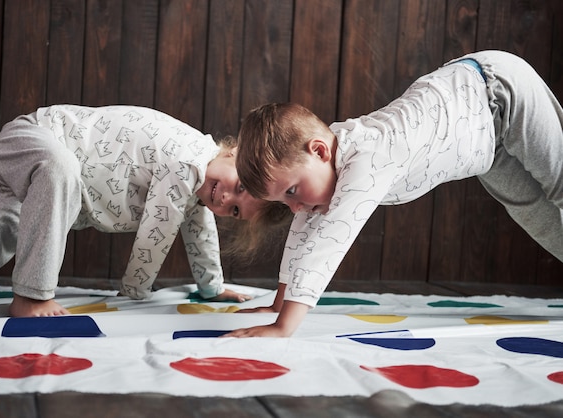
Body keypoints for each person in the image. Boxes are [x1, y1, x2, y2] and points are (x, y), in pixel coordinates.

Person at [226, 50, 563, 338]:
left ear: (319, 151)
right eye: (285, 201)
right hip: (487, 142)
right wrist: (278, 302)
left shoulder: (365, 161)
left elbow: (329, 241)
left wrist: (285, 325)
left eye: (292, 191)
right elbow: (305, 234)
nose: (296, 208)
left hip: (497, 93)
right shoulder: (324, 165)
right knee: (541, 218)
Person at [0, 105, 267, 317]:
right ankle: (31, 296)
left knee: (2, 226)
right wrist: (133, 294)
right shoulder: (188, 161)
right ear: (234, 153)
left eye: (235, 210)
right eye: (238, 186)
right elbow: (157, 234)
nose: (225, 200)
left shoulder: (197, 192)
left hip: (53, 190)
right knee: (60, 166)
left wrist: (212, 288)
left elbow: (200, 232)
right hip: (33, 137)